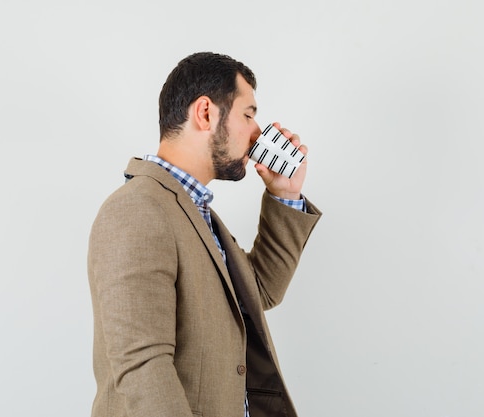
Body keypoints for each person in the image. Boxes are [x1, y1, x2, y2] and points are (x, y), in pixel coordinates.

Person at [87, 51, 322, 417]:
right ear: (206, 113)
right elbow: (142, 367)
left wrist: (285, 194)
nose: (258, 133)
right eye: (248, 115)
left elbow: (257, 291)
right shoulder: (137, 209)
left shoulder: (194, 212)